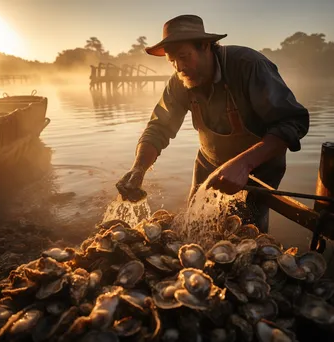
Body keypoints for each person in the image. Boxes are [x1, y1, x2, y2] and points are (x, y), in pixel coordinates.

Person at [116, 14, 309, 232]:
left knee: (246, 235)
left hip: (258, 168)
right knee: (195, 226)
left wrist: (244, 164)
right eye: (172, 61)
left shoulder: (249, 65)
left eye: (185, 56)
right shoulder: (179, 81)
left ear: (206, 46)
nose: (179, 67)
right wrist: (139, 168)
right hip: (209, 163)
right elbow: (158, 128)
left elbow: (292, 122)